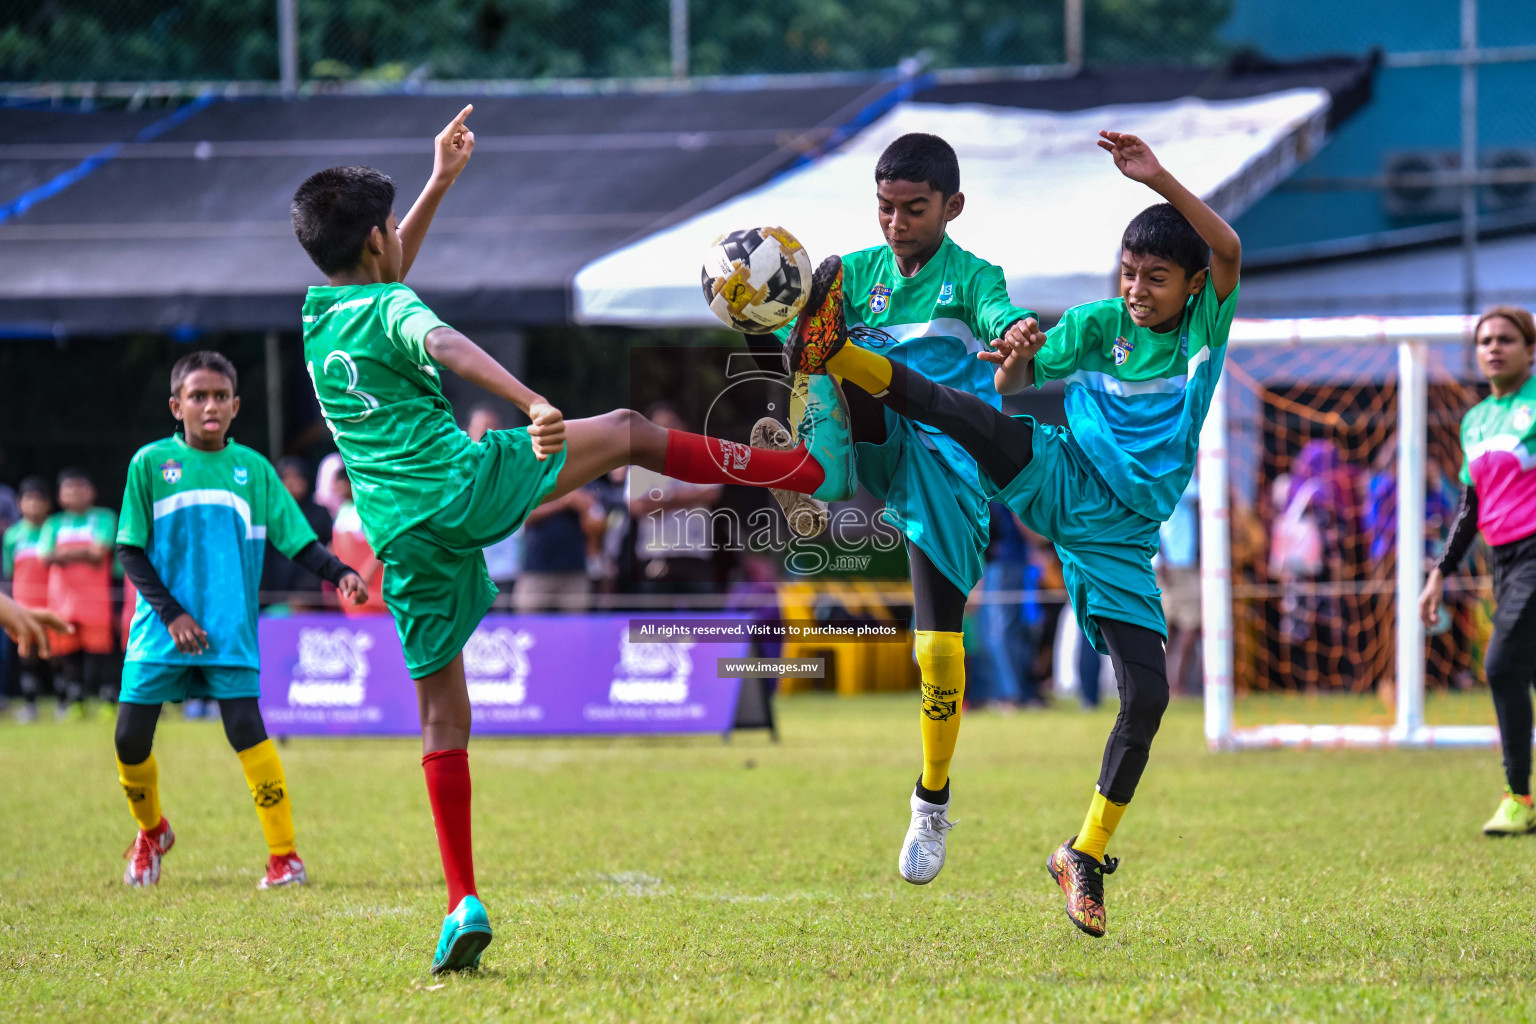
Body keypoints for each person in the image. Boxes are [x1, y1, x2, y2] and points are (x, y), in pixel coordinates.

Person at [289, 106, 832, 975]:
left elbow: (388, 285)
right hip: (459, 484)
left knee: (441, 714)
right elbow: (439, 334)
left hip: (400, 535)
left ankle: (461, 898)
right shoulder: (393, 301)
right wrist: (529, 399)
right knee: (622, 428)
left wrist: (437, 185)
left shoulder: (323, 314)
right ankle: (793, 469)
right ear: (381, 237)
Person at [785, 129, 1240, 937]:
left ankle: (1085, 854)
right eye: (1129, 273)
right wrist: (1019, 353)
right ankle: (834, 358)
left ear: (1194, 286)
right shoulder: (1101, 322)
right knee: (970, 418)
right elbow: (1012, 379)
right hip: (1060, 477)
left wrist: (1159, 177)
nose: (1137, 290)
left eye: (1156, 279)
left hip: (1121, 540)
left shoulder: (1206, 328)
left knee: (1149, 696)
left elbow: (1228, 245)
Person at [752, 132, 1038, 887]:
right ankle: (816, 473)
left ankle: (932, 798)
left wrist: (1011, 333)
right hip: (881, 432)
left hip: (947, 458)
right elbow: (795, 344)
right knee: (828, 357)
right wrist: (783, 329)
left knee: (938, 651)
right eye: (886, 207)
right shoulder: (849, 275)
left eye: (914, 209)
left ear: (952, 207)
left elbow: (1002, 311)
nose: (897, 222)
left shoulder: (974, 276)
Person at [113, 350, 368, 890]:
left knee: (247, 733)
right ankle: (152, 831)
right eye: (198, 396)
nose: (210, 405)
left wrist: (340, 570)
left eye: (220, 397)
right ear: (175, 405)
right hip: (160, 629)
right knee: (129, 741)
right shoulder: (149, 465)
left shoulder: (253, 470)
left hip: (229, 631)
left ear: (235, 406)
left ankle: (284, 857)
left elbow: (297, 540)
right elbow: (130, 551)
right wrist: (173, 613)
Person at [1419, 305, 1536, 836]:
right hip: (1501, 561)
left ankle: (1519, 797)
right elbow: (1470, 506)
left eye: (1506, 339)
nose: (1494, 347)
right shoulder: (1474, 420)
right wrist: (1439, 572)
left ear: (1529, 351)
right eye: (1485, 340)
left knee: (1501, 663)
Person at [40, 467, 118, 714]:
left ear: (92, 492)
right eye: (69, 489)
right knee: (67, 653)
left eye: (80, 488)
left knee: (101, 653)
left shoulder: (104, 517)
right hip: (62, 601)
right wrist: (83, 553)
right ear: (60, 496)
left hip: (97, 600)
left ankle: (108, 701)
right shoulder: (53, 523)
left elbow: (99, 553)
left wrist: (63, 555)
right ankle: (76, 703)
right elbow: (44, 556)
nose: (75, 494)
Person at [3, 477, 61, 721]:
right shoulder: (12, 535)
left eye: (38, 500)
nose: (33, 505)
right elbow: (8, 572)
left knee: (57, 656)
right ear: (19, 504)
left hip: (55, 604)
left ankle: (63, 703)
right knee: (28, 656)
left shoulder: (55, 530)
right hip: (23, 606)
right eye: (28, 499)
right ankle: (30, 705)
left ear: (48, 504)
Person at [258, 457, 334, 608]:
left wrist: (307, 595)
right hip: (270, 595)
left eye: (297, 477)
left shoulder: (320, 514)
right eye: (285, 477)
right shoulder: (265, 514)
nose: (291, 483)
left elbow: (328, 552)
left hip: (311, 598)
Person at [1158, 473, 1201, 696]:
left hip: (1167, 563)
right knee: (1191, 625)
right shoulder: (1180, 475)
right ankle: (1177, 686)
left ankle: (1160, 684)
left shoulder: (1160, 471)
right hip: (1178, 564)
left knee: (1170, 627)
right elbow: (1210, 495)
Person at [330, 471, 389, 616]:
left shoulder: (370, 511)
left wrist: (364, 577)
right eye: (337, 482)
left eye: (344, 481)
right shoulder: (344, 511)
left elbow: (381, 546)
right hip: (350, 583)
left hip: (371, 585)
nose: (340, 486)